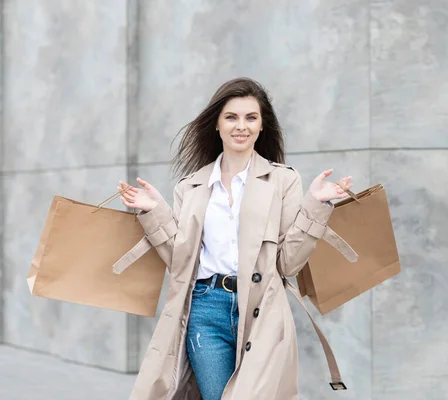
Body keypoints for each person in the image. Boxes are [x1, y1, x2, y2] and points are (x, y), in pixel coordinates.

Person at [118, 77, 353, 400]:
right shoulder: (191, 186)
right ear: (217, 124)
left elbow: (288, 263)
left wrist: (316, 207)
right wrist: (154, 211)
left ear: (261, 126)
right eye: (231, 117)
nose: (240, 126)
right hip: (205, 309)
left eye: (250, 118)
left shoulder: (283, 180)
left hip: (262, 310)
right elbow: (181, 262)